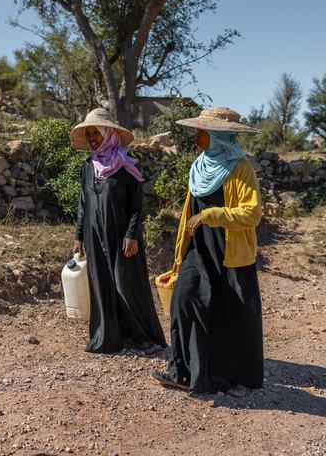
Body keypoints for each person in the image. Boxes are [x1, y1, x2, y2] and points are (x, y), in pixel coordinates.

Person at [151, 107, 264, 394]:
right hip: (199, 251)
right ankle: (181, 370)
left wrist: (211, 215)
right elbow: (189, 214)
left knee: (229, 315)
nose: (195, 137)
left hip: (230, 254)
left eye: (200, 132)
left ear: (217, 136)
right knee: (183, 299)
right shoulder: (199, 167)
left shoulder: (240, 169)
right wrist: (179, 256)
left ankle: (226, 378)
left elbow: (251, 214)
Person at [71, 108, 166, 354]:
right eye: (88, 132)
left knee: (125, 285)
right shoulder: (87, 167)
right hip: (94, 237)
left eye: (96, 132)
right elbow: (83, 203)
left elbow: (137, 206)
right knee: (101, 284)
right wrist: (78, 236)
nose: (91, 137)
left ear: (109, 133)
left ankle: (142, 337)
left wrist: (132, 234)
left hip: (122, 238)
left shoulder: (126, 166)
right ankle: (108, 338)